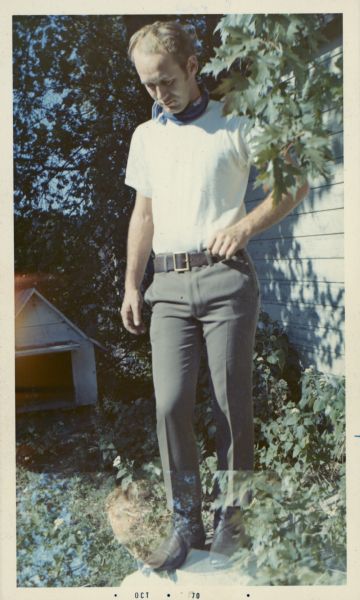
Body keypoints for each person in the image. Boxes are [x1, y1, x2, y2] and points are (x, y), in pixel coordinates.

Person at [121, 20, 309, 572]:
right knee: (170, 405)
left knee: (231, 405)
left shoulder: (237, 121)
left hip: (227, 278)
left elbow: (293, 181)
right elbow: (144, 214)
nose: (159, 93)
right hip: (168, 287)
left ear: (192, 68)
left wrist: (246, 226)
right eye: (148, 84)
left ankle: (235, 521)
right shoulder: (146, 136)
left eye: (166, 80)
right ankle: (186, 525)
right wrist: (132, 284)